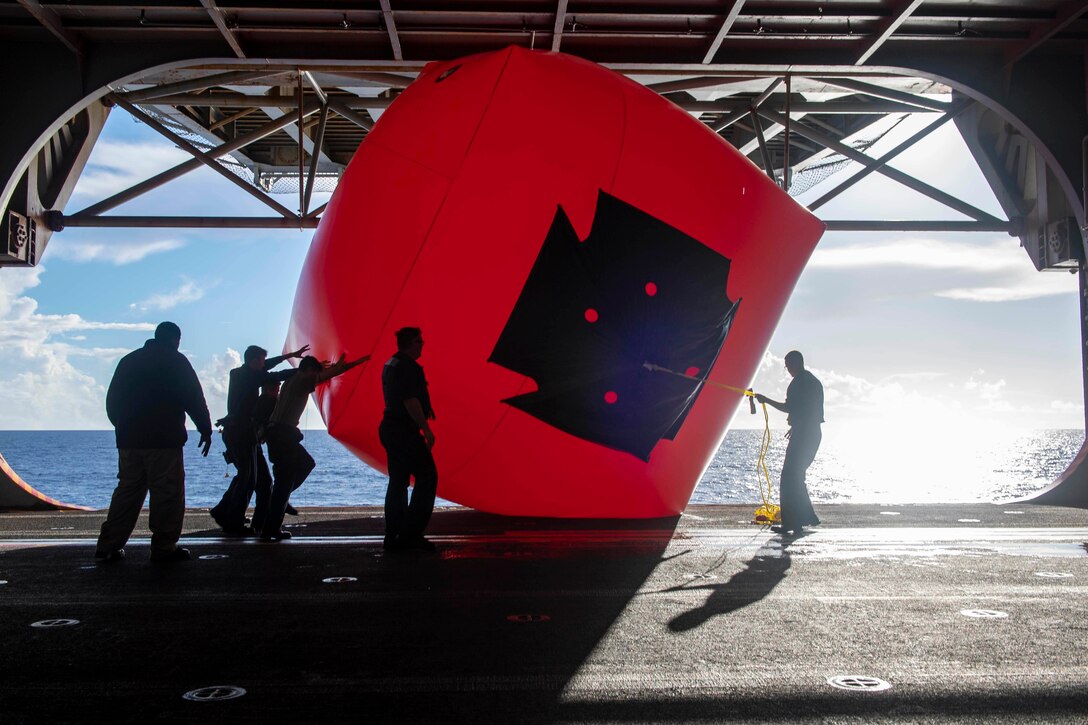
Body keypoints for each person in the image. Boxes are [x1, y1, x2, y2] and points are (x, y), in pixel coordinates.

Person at [95, 321, 213, 563]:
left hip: (129, 441)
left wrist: (124, 427)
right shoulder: (176, 361)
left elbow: (112, 402)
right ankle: (164, 547)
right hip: (164, 440)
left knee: (127, 491)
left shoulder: (129, 361)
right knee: (167, 492)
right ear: (176, 340)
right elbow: (193, 396)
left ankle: (108, 545)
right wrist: (205, 428)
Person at [261, 352, 370, 541]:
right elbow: (325, 376)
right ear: (308, 370)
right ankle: (273, 520)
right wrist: (348, 365)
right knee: (287, 478)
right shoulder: (301, 380)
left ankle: (276, 510)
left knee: (296, 471)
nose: (314, 378)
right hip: (282, 436)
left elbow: (319, 374)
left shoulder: (292, 379)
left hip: (278, 434)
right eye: (313, 372)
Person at [209, 343, 308, 535]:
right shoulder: (249, 376)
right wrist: (302, 370)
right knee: (248, 478)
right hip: (241, 433)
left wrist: (289, 355)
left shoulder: (240, 374)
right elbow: (273, 375)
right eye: (261, 361)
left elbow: (266, 368)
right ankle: (232, 524)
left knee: (261, 480)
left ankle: (241, 517)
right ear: (254, 361)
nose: (264, 364)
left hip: (244, 433)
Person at [379, 327, 439, 552]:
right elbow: (409, 399)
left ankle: (393, 535)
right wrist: (426, 428)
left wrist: (426, 410)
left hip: (391, 427)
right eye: (418, 341)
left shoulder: (392, 363)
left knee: (398, 482)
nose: (422, 345)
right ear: (409, 344)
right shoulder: (407, 366)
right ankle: (410, 535)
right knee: (427, 476)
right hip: (403, 429)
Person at [755, 350, 823, 537]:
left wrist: (765, 400)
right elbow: (810, 411)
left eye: (788, 365)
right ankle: (802, 520)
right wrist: (797, 426)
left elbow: (789, 408)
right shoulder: (812, 381)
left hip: (804, 434)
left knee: (788, 477)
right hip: (811, 433)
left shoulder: (799, 383)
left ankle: (792, 523)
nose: (787, 369)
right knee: (796, 476)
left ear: (795, 363)